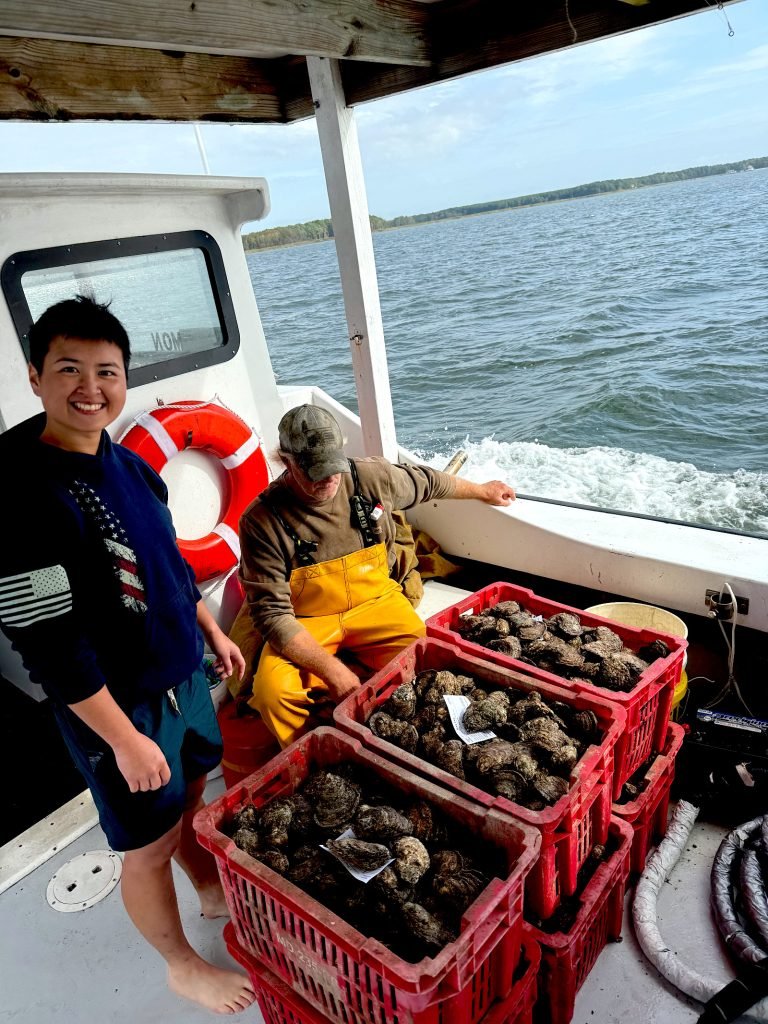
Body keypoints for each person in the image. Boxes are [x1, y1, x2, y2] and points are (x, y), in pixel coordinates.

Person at [0, 296, 255, 1015]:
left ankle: (205, 884)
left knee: (193, 800)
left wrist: (209, 628)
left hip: (183, 679)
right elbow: (47, 646)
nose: (90, 387)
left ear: (124, 377)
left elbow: (165, 563)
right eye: (69, 369)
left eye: (106, 371)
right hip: (119, 709)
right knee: (145, 846)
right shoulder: (23, 496)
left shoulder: (129, 467)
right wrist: (125, 740)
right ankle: (179, 964)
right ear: (35, 377)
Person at [239, 404, 516, 747]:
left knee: (426, 662)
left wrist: (482, 491)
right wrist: (332, 670)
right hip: (306, 620)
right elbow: (273, 616)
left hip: (375, 602)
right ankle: (318, 754)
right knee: (272, 694)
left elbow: (429, 483)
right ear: (286, 461)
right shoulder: (260, 521)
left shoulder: (370, 477)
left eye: (333, 467)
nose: (328, 478)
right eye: (314, 470)